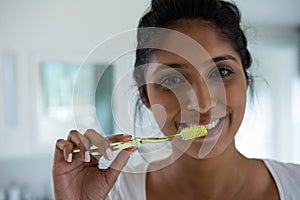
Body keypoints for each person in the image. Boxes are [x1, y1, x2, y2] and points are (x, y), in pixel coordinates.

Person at [52, 0, 300, 199]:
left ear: (245, 81)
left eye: (221, 72)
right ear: (145, 96)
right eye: (172, 80)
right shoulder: (112, 194)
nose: (203, 104)